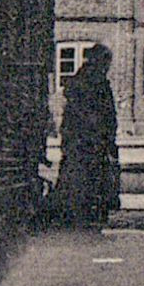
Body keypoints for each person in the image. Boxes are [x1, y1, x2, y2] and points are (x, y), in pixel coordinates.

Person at [50, 45, 121, 228]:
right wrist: (107, 138)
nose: (108, 66)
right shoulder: (97, 83)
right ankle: (87, 217)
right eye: (106, 62)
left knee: (75, 176)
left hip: (78, 140)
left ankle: (72, 214)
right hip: (92, 141)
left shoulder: (77, 82)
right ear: (100, 61)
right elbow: (105, 115)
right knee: (91, 179)